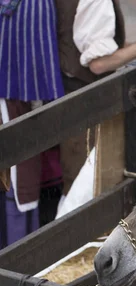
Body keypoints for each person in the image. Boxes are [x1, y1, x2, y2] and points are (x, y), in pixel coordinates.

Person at [54, 0, 136, 196]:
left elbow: (91, 45)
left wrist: (134, 45)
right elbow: (98, 63)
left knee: (78, 184)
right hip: (87, 107)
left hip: (71, 101)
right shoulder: (97, 2)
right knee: (86, 187)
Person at [0, 0, 66, 248]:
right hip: (16, 110)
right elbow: (40, 73)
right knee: (19, 182)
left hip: (11, 105)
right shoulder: (36, 4)